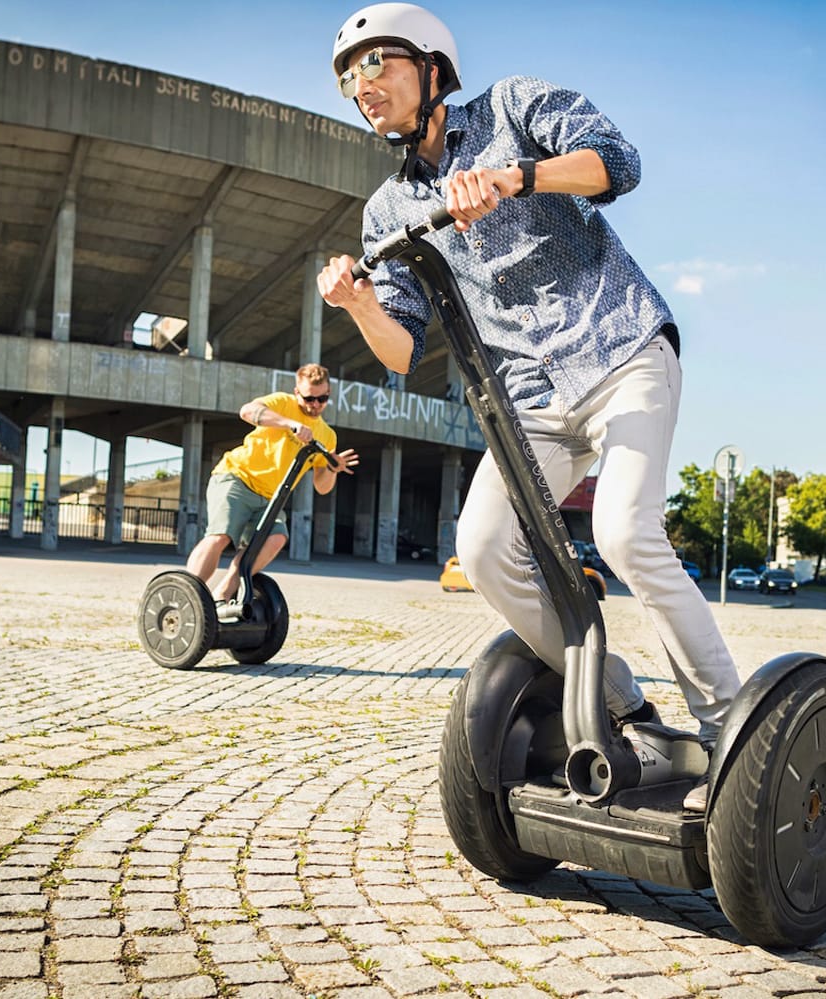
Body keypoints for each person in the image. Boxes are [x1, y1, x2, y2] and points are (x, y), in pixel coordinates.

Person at [314, 3, 740, 808]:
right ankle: (622, 701)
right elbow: (403, 347)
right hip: (531, 398)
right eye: (348, 77)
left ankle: (727, 731)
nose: (360, 86)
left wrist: (519, 176)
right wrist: (358, 304)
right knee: (481, 548)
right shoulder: (386, 211)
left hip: (621, 349)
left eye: (375, 65)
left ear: (431, 66)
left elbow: (619, 162)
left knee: (622, 530)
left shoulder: (512, 106)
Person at [185, 363, 359, 619]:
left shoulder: (327, 435)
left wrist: (332, 468)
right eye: (309, 398)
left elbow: (322, 488)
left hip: (270, 497)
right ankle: (185, 595)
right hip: (237, 478)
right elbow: (247, 411)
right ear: (297, 392)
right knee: (221, 536)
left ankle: (222, 595)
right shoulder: (281, 403)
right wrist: (291, 425)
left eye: (322, 398)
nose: (315, 404)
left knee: (276, 538)